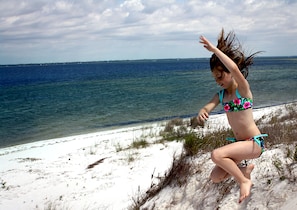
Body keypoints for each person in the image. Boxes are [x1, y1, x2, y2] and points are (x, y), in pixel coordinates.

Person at [197, 29, 267, 203]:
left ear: (228, 71)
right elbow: (209, 105)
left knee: (216, 155)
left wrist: (214, 50)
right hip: (239, 146)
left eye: (220, 75)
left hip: (253, 143)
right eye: (215, 78)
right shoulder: (221, 95)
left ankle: (244, 180)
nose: (218, 80)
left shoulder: (243, 90)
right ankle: (244, 172)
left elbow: (234, 68)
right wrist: (203, 111)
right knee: (215, 176)